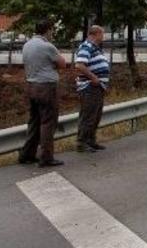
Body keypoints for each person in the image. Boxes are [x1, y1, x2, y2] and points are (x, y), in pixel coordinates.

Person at [20, 19, 67, 167]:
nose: (52, 33)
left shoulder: (27, 45)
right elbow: (62, 64)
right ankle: (46, 157)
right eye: (52, 30)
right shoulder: (47, 46)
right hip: (47, 87)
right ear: (48, 30)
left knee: (34, 121)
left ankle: (27, 154)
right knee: (48, 122)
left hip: (31, 85)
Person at [74, 25, 109, 153]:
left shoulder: (95, 48)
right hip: (89, 86)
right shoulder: (86, 46)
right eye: (102, 34)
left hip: (97, 87)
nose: (103, 37)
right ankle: (82, 142)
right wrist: (93, 77)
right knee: (88, 115)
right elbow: (80, 65)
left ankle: (90, 140)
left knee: (95, 115)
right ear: (96, 34)